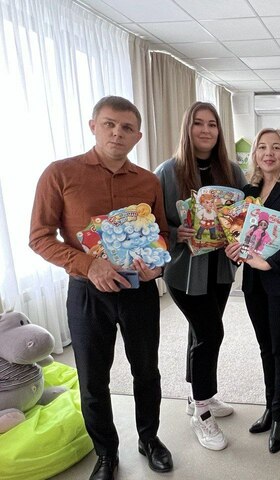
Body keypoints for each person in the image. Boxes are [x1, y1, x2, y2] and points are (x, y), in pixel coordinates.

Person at [29, 96, 173, 479]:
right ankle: (106, 453)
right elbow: (40, 237)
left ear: (137, 136)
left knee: (147, 371)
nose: (117, 133)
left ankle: (149, 439)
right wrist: (88, 264)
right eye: (109, 124)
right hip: (87, 293)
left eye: (127, 128)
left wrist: (157, 266)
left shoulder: (148, 181)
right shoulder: (60, 173)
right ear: (93, 126)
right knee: (93, 379)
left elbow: (161, 234)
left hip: (139, 292)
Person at [154, 101, 246, 451]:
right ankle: (202, 413)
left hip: (220, 270)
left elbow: (243, 216)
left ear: (219, 131)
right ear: (187, 128)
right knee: (211, 333)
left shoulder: (231, 171)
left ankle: (197, 397)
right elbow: (152, 223)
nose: (206, 130)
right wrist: (174, 233)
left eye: (212, 124)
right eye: (198, 123)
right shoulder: (168, 171)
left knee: (200, 332)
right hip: (183, 270)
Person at [225, 128, 280, 453]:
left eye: (276, 147)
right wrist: (233, 249)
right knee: (265, 348)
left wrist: (270, 263)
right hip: (253, 284)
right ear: (255, 154)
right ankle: (270, 407)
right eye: (262, 147)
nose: (268, 153)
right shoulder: (248, 191)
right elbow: (239, 235)